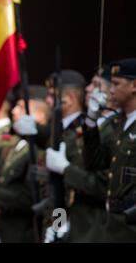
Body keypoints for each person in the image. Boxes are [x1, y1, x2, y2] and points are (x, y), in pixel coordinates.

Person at [44, 70, 108, 242]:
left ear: (70, 99)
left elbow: (67, 189)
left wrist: (60, 222)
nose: (47, 101)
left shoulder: (83, 131)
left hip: (80, 221)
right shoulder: (57, 129)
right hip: (57, 214)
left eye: (53, 95)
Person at [84, 58, 136, 242]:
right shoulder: (117, 122)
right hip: (111, 222)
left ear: (134, 86)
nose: (111, 90)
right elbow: (94, 162)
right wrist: (90, 121)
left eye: (116, 84)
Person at [0, 85, 50, 243]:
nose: (14, 111)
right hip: (5, 228)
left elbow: (32, 197)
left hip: (24, 231)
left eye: (21, 107)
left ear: (38, 115)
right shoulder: (17, 144)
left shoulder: (39, 151)